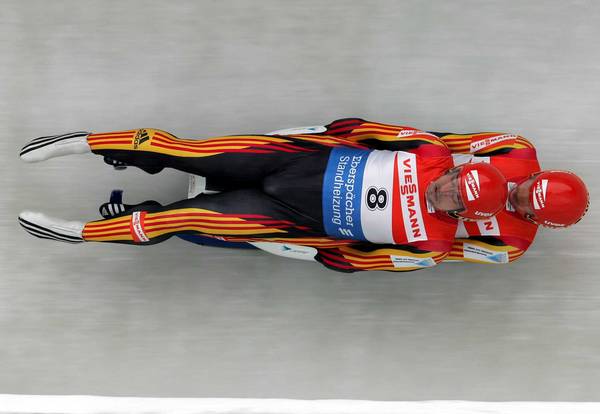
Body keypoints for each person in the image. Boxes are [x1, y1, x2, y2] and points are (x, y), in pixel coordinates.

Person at [18, 124, 507, 273]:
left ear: (461, 214)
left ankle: (82, 234)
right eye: (452, 180)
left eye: (452, 200)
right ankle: (85, 142)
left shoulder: (434, 246)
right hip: (292, 162)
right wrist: (311, 140)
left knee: (177, 220)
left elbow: (355, 262)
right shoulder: (431, 150)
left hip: (289, 215)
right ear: (459, 168)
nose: (443, 190)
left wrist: (310, 241)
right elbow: (357, 129)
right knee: (185, 149)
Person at [291, 118, 589, 264]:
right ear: (536, 174)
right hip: (423, 176)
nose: (516, 193)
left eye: (525, 204)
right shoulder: (517, 150)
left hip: (406, 222)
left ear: (534, 220)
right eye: (527, 186)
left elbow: (448, 252)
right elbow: (446, 142)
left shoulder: (512, 245)